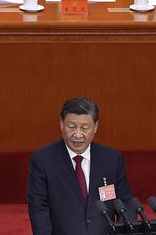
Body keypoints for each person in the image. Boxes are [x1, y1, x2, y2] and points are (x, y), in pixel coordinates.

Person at [27, 97, 133, 235]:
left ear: (95, 127)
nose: (77, 134)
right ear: (62, 124)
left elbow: (125, 201)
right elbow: (38, 209)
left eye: (84, 128)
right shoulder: (43, 160)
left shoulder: (111, 159)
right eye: (71, 127)